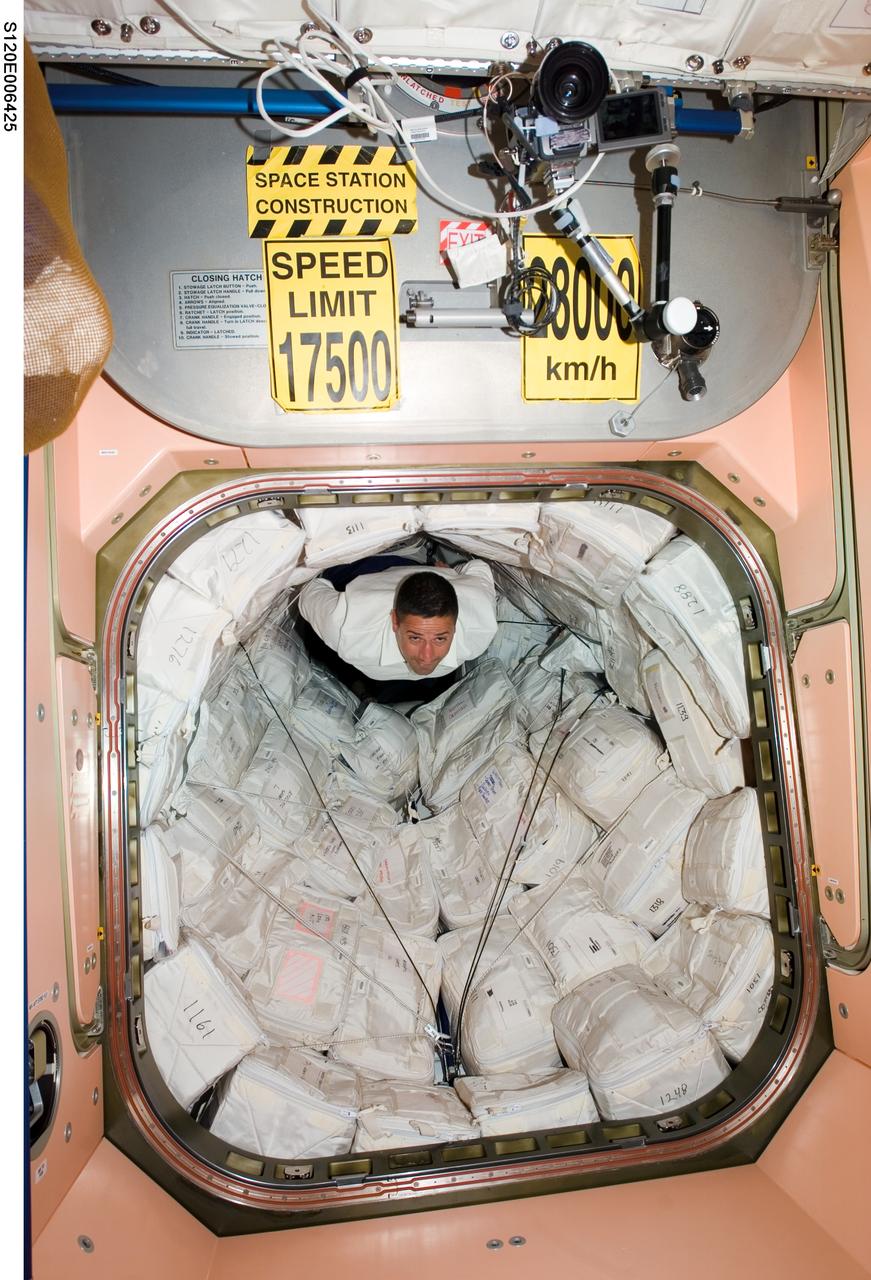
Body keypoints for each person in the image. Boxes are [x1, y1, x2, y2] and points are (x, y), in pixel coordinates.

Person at [297, 556, 498, 704]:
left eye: (440, 639)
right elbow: (309, 591)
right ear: (395, 621)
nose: (427, 656)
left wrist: (453, 572)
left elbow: (478, 567)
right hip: (359, 569)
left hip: (427, 575)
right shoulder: (348, 627)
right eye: (415, 638)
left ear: (455, 627)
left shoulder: (480, 627)